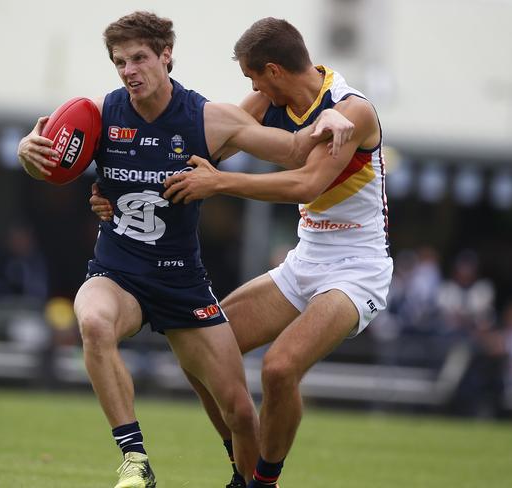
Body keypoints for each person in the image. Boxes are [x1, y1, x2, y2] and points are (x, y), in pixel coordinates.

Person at [18, 11, 354, 488]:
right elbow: (49, 163)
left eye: (138, 58)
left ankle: (248, 482)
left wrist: (331, 115)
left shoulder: (207, 118)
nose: (129, 70)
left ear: (166, 55)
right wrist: (28, 154)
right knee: (92, 321)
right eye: (119, 62)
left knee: (238, 410)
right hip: (119, 272)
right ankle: (135, 461)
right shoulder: (98, 115)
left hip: (181, 282)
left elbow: (295, 149)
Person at [93, 16, 392, 488]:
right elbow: (204, 146)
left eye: (253, 77)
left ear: (273, 71)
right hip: (305, 260)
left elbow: (306, 181)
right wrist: (120, 191)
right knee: (203, 348)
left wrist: (219, 185)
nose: (251, 88)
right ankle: (240, 465)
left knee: (278, 368)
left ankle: (262, 482)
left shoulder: (351, 111)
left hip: (357, 269)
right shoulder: (271, 99)